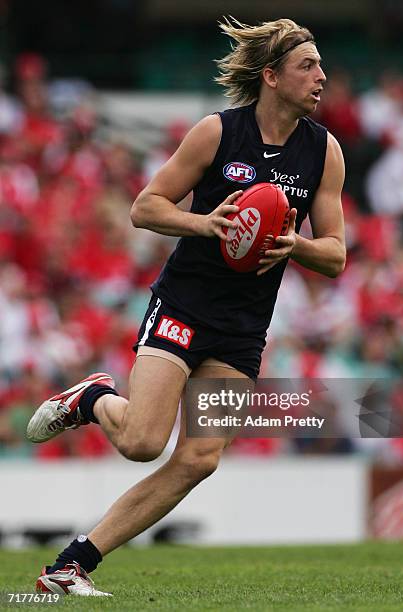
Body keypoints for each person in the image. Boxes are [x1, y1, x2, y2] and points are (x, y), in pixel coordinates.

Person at [27, 17, 346, 596]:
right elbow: (145, 208)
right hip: (184, 306)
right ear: (271, 77)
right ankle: (94, 396)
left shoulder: (324, 151)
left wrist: (298, 244)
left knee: (200, 458)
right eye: (308, 66)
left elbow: (336, 255)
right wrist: (205, 223)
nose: (322, 76)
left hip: (244, 329)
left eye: (321, 65)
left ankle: (72, 565)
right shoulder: (217, 132)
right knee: (144, 442)